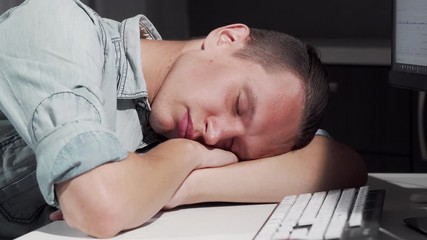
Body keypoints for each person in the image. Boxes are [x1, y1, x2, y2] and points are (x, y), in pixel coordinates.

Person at [0, 0, 367, 238]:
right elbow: (101, 207)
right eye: (239, 104)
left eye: (234, 147)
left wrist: (177, 190)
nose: (214, 134)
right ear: (225, 39)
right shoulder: (58, 28)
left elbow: (339, 163)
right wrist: (184, 156)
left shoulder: (176, 115)